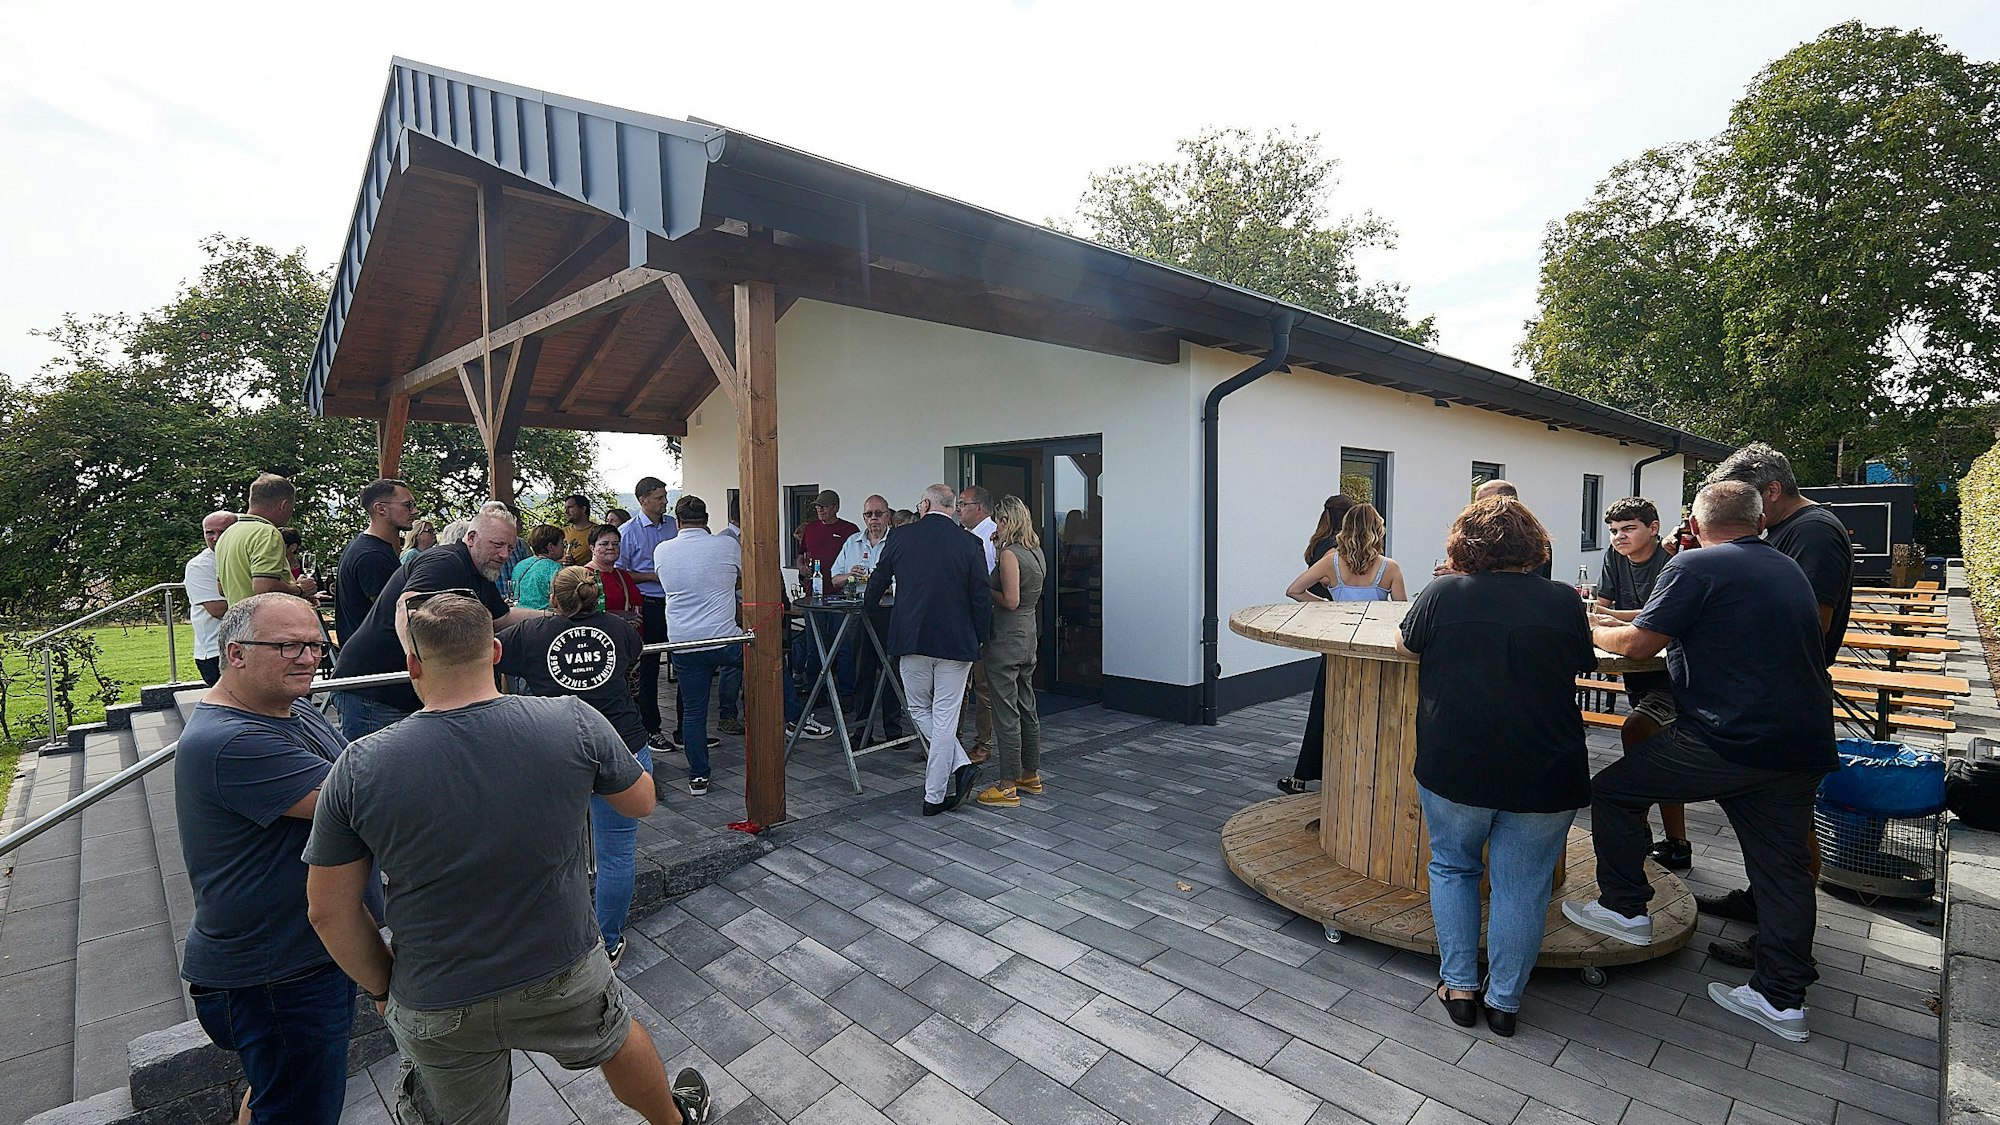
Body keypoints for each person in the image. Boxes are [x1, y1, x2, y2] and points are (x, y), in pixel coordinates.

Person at [303, 593, 710, 1125]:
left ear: (412, 666)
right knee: (614, 1037)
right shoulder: (572, 721)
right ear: (495, 652)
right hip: (562, 964)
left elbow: (327, 911)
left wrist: (383, 988)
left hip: (437, 989)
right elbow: (642, 801)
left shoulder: (360, 765)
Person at [1566, 480, 1837, 1043]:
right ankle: (1781, 998)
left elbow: (1641, 646)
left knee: (1613, 793)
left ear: (1695, 519)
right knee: (1782, 870)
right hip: (1802, 740)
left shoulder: (1696, 565)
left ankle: (1625, 911)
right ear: (1759, 520)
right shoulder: (1784, 567)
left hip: (1728, 738)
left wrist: (1586, 625)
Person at [1396, 496, 1595, 1038]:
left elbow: (1405, 644)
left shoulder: (1443, 592)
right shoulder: (1562, 600)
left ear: (1463, 545)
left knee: (1454, 867)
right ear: (1534, 545)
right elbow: (1584, 659)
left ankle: (1459, 988)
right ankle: (1504, 1003)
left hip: (1455, 763)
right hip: (1547, 766)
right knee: (1522, 887)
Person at [178, 593, 378, 1123]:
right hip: (276, 975)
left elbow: (359, 772)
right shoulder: (231, 741)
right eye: (287, 645)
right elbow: (364, 802)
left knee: (276, 1093)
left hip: (288, 964)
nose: (309, 658)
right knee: (300, 1109)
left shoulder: (290, 708)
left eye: (315, 644)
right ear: (236, 653)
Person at [1694, 442, 1856, 965]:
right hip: (1765, 696)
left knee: (1787, 828)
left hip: (1783, 700)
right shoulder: (1781, 532)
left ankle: (1781, 942)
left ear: (1771, 491)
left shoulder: (1813, 532)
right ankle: (1761, 903)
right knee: (1763, 819)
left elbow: (1815, 620)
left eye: (1747, 498)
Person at [499, 567, 650, 960]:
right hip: (622, 744)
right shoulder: (619, 629)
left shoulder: (527, 636)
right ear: (595, 594)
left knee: (552, 851)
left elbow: (489, 654)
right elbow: (630, 659)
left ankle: (557, 938)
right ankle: (608, 941)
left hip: (554, 750)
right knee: (617, 852)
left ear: (553, 597)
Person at [655, 495, 827, 795]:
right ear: (707, 521)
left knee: (694, 713)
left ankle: (698, 776)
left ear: (678, 521)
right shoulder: (725, 545)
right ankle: (794, 720)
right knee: (772, 663)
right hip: (726, 637)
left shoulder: (662, 550)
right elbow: (742, 578)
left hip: (684, 642)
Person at [328, 508, 546, 740]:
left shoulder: (479, 573)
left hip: (408, 692)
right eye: (497, 544)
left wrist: (552, 616)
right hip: (374, 690)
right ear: (471, 538)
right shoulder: (445, 561)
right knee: (374, 773)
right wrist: (419, 665)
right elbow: (406, 606)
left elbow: (501, 618)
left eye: (510, 548)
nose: (505, 555)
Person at [864, 485, 991, 816]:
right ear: (951, 508)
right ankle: (950, 777)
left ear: (924, 505)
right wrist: (981, 636)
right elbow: (981, 597)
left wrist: (868, 606)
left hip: (913, 638)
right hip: (956, 642)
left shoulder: (902, 538)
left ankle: (942, 789)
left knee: (919, 709)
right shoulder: (970, 542)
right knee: (945, 717)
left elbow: (878, 580)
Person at [1279, 500, 1407, 792]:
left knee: (1327, 711)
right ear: (1378, 530)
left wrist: (1327, 607)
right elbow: (1402, 611)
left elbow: (1294, 590)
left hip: (1338, 647)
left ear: (1346, 529)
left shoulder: (1331, 562)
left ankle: (1314, 774)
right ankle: (1370, 777)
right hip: (1375, 650)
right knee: (1376, 713)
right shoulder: (1389, 567)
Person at [1591, 497, 1689, 870]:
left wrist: (1609, 620)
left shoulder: (1674, 562)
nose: (1619, 537)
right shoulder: (1614, 558)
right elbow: (1600, 607)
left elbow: (1655, 617)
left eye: (1628, 528)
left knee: (1640, 735)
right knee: (1654, 755)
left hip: (1674, 678)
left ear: (1653, 527)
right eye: (1614, 531)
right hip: (1639, 674)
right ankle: (1666, 839)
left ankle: (1654, 834)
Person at [974, 496, 1047, 808]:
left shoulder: (1009, 555)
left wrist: (981, 587)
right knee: (1026, 704)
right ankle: (1030, 774)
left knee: (1006, 712)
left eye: (999, 522)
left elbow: (1010, 600)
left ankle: (1006, 785)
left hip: (1006, 638)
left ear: (1006, 522)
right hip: (1029, 635)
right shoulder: (1036, 552)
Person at [618, 477, 680, 750]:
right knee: (649, 670)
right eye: (659, 497)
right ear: (643, 500)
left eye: (665, 496)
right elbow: (621, 572)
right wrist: (652, 576)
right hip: (650, 605)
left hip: (677, 605)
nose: (665, 501)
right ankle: (651, 730)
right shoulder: (628, 532)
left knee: (684, 664)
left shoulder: (674, 526)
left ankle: (684, 729)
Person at [832, 495, 900, 740]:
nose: (874, 519)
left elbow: (906, 580)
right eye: (869, 514)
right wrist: (851, 575)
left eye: (878, 514)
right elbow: (834, 578)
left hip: (889, 613)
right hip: (860, 613)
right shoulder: (853, 543)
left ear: (888, 515)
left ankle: (893, 730)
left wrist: (882, 585)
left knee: (891, 672)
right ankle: (863, 730)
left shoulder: (897, 542)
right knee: (863, 673)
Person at [334, 478, 416, 644]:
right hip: (373, 662)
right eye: (408, 505)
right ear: (381, 509)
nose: (415, 510)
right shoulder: (371, 556)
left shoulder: (368, 547)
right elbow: (395, 614)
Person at [215, 474, 318, 604]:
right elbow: (265, 587)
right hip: (266, 620)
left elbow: (221, 588)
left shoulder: (228, 533)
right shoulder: (267, 533)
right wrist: (299, 590)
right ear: (284, 505)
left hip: (237, 619)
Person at [955, 486, 998, 764]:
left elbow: (986, 582)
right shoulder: (967, 536)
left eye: (963, 504)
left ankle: (983, 743)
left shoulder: (990, 537)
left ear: (979, 507)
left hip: (980, 619)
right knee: (958, 684)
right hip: (961, 619)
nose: (958, 509)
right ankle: (952, 740)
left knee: (982, 686)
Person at [1434, 480, 1552, 580]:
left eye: (1485, 502)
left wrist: (1466, 576)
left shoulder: (1531, 539)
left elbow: (1522, 584)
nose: (1478, 508)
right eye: (1476, 503)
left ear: (1507, 502)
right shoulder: (1472, 536)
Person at [185, 511, 237, 686]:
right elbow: (218, 610)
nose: (215, 538)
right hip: (216, 654)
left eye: (223, 531)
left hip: (241, 648)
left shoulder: (238, 556)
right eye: (210, 532)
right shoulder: (199, 566)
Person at [586, 523, 646, 629]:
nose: (611, 547)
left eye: (615, 544)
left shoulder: (623, 576)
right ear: (592, 548)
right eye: (604, 544)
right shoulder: (583, 576)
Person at [799, 489, 858, 578]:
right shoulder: (810, 528)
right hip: (814, 587)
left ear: (836, 508)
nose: (820, 510)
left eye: (825, 506)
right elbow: (801, 555)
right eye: (818, 506)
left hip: (841, 588)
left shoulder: (850, 529)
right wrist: (801, 567)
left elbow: (860, 557)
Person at [512, 525, 566, 611]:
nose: (564, 547)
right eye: (562, 543)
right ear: (551, 547)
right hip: (545, 619)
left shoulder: (519, 566)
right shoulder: (555, 569)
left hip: (520, 618)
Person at [561, 493, 596, 566]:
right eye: (565, 508)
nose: (566, 511)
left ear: (583, 509)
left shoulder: (597, 532)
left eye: (570, 507)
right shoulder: (562, 532)